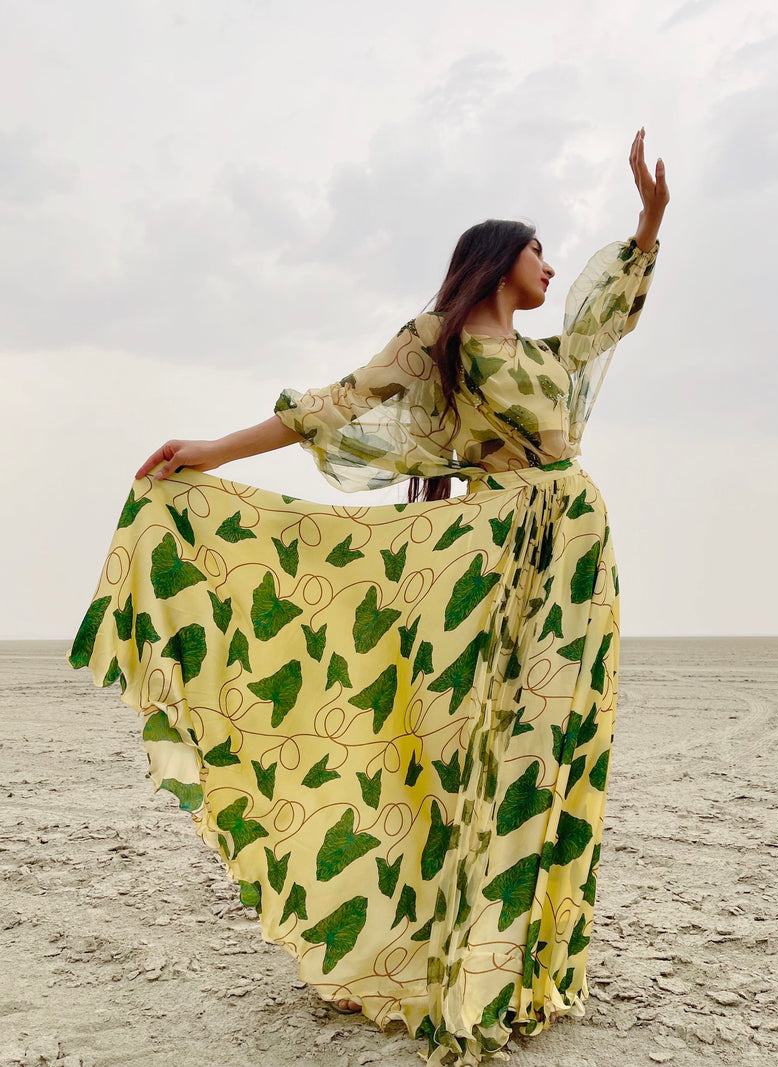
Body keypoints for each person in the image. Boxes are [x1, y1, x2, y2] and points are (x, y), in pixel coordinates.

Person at [69, 128, 668, 1066]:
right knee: (482, 748)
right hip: (496, 549)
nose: (553, 266)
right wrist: (212, 451)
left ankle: (519, 966)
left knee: (555, 749)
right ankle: (460, 960)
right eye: (540, 250)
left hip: (579, 557)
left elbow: (608, 311)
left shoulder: (551, 354)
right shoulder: (436, 340)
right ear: (498, 256)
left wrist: (650, 220)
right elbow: (331, 404)